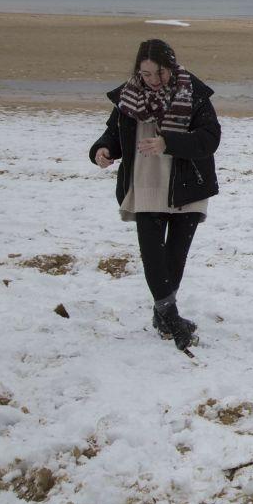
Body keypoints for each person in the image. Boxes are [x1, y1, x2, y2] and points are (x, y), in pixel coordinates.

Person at [89, 39, 220, 353]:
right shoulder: (128, 97)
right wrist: (102, 150)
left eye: (159, 73)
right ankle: (172, 319)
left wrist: (168, 143)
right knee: (152, 254)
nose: (153, 80)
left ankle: (162, 316)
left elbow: (209, 139)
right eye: (146, 74)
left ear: (171, 67)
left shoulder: (193, 93)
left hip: (187, 183)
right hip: (145, 183)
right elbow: (113, 134)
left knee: (174, 256)